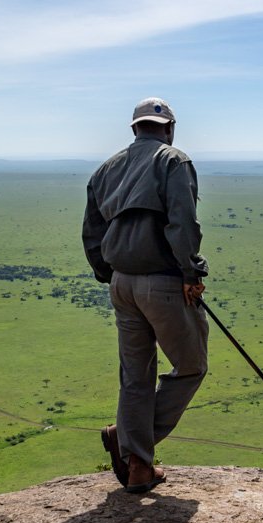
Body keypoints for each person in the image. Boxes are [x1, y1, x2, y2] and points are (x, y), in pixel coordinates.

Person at [82, 97, 208, 493]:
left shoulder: (106, 169)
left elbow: (92, 232)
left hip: (122, 283)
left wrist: (110, 274)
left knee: (135, 377)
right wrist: (191, 271)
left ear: (134, 128)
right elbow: (182, 223)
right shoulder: (174, 161)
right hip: (164, 283)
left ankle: (138, 466)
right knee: (190, 367)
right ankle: (131, 444)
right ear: (169, 127)